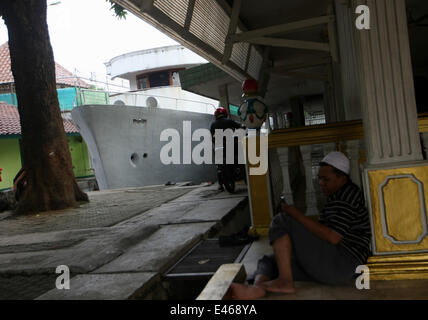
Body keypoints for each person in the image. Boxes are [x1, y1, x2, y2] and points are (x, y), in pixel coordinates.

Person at [229, 151, 372, 299]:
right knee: (271, 260)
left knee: (282, 220)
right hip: (334, 264)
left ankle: (285, 281)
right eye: (320, 179)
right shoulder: (338, 194)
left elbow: (332, 237)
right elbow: (322, 233)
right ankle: (256, 288)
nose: (321, 183)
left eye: (326, 179)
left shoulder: (347, 196)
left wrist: (296, 215)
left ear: (342, 178)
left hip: (342, 264)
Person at [210, 107, 242, 191]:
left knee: (219, 166)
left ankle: (220, 185)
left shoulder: (213, 125)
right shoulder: (230, 121)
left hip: (219, 148)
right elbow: (240, 127)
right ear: (225, 114)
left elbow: (212, 137)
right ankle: (243, 174)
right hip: (231, 146)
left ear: (216, 116)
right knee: (241, 158)